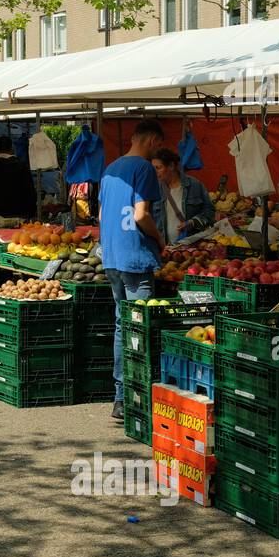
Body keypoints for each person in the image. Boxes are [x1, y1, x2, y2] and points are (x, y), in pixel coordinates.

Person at [99, 118, 165, 421]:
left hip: (111, 255)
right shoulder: (144, 169)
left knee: (121, 324)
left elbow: (100, 215)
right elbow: (141, 215)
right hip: (136, 256)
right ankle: (138, 398)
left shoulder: (110, 169)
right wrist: (159, 237)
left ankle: (121, 397)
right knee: (140, 325)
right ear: (152, 140)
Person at [150, 148, 214, 245]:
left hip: (192, 247)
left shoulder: (194, 185)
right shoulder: (154, 189)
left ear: (171, 166)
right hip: (166, 249)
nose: (155, 172)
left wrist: (193, 222)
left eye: (158, 168)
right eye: (153, 168)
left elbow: (210, 211)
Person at [0, 136, 35, 218]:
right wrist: (30, 213)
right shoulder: (21, 166)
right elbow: (29, 192)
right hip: (18, 213)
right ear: (11, 149)